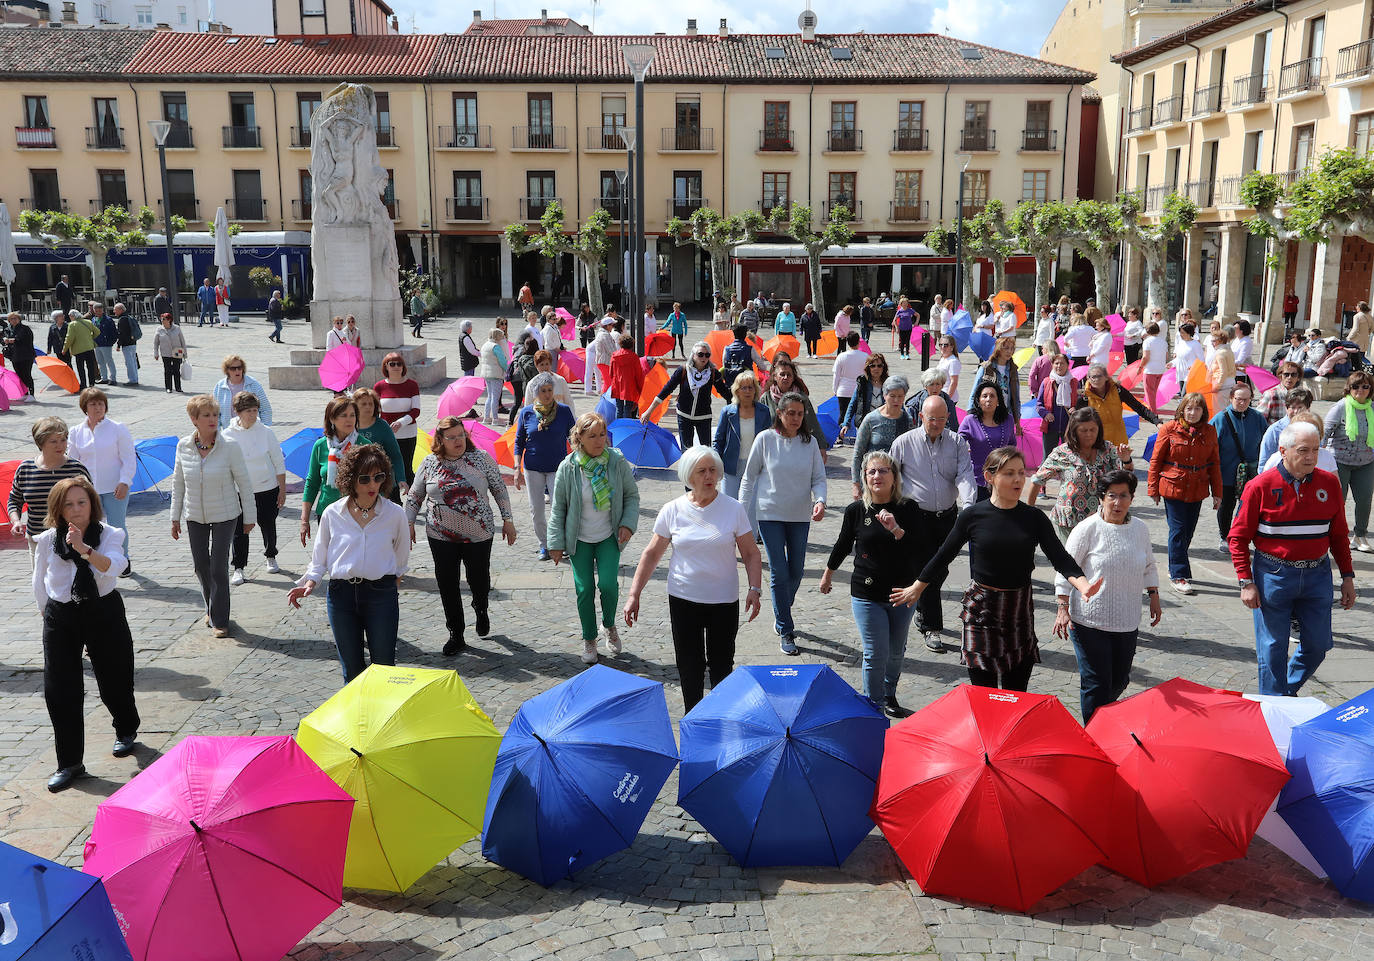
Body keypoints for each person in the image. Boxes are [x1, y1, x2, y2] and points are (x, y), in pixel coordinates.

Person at [891, 446, 1099, 690]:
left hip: (1019, 610)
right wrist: (917, 587)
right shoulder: (972, 516)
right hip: (981, 610)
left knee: (1015, 693)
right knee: (984, 695)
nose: (1018, 479)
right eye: (1009, 473)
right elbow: (943, 556)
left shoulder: (1034, 518)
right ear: (990, 477)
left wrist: (1083, 585)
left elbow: (1061, 558)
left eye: (1021, 473)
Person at [624, 447, 762, 709]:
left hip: (723, 600)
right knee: (689, 667)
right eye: (702, 471)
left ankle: (721, 719)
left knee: (722, 666)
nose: (709, 476)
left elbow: (751, 553)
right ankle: (693, 719)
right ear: (689, 476)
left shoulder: (733, 509)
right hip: (684, 599)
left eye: (713, 470)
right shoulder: (672, 510)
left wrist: (755, 588)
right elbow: (652, 553)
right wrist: (634, 594)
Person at [1230, 420, 1356, 696]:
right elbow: (1237, 538)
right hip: (1273, 574)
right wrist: (1245, 582)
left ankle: (1285, 692)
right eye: (1303, 450)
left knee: (1318, 644)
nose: (1311, 457)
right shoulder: (1259, 487)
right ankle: (1273, 706)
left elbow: (1338, 536)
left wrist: (1347, 576)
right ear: (1283, 450)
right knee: (1273, 648)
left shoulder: (1330, 484)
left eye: (1315, 449)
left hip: (1317, 575)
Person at [31, 475, 140, 792]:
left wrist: (83, 549)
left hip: (102, 610)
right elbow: (39, 579)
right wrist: (47, 610)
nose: (76, 510)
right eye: (69, 505)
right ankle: (69, 763)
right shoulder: (49, 539)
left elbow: (115, 566)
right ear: (59, 510)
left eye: (82, 502)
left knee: (114, 676)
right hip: (61, 615)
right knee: (60, 687)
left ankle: (125, 728)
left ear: (93, 504)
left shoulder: (110, 534)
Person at [290, 444, 409, 682]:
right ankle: (357, 719)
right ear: (351, 479)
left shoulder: (395, 514)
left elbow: (401, 555)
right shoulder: (333, 513)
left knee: (384, 667)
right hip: (341, 595)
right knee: (352, 670)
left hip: (381, 594)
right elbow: (321, 553)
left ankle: (382, 718)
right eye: (365, 478)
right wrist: (311, 581)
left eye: (379, 477)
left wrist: (390, 582)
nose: (372, 485)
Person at [1053, 469, 1161, 721]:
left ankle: (1104, 720)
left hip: (1127, 620)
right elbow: (1066, 566)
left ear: (1132, 499)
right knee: (1096, 682)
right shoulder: (1087, 528)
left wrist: (1154, 594)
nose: (1118, 502)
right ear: (1101, 497)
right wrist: (1062, 605)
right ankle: (1094, 733)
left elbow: (1149, 565)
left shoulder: (1140, 529)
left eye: (1124, 496)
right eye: (1112, 495)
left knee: (1120, 680)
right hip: (1089, 621)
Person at [822, 449, 921, 717]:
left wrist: (896, 530)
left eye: (883, 470)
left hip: (902, 592)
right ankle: (874, 704)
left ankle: (889, 695)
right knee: (876, 652)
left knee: (896, 651)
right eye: (872, 471)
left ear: (894, 476)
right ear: (865, 477)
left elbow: (919, 550)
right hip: (866, 592)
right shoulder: (856, 510)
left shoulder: (909, 509)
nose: (877, 476)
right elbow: (843, 544)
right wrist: (828, 573)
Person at [408, 417, 516, 654]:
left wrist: (508, 520)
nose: (458, 441)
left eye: (461, 435)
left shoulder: (481, 459)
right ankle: (455, 633)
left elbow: (499, 488)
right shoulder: (429, 463)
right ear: (441, 440)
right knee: (447, 584)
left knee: (479, 579)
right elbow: (415, 496)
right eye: (452, 437)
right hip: (440, 535)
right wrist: (408, 523)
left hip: (479, 533)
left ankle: (480, 606)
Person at [739, 392, 827, 656]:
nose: (796, 419)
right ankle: (786, 627)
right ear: (780, 413)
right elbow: (748, 478)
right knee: (779, 571)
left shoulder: (809, 443)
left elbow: (819, 478)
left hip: (800, 515)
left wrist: (820, 500)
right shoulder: (765, 439)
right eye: (791, 413)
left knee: (796, 571)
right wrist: (741, 513)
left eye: (800, 414)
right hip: (770, 514)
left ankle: (781, 608)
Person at [549, 413, 640, 664]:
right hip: (579, 539)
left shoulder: (616, 461)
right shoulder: (568, 467)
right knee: (584, 588)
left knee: (609, 585)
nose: (600, 441)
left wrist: (627, 524)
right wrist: (555, 544)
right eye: (593, 436)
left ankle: (609, 625)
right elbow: (558, 508)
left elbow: (632, 496)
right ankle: (589, 638)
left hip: (609, 535)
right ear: (579, 438)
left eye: (602, 435)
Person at [888, 395, 977, 652]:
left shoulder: (957, 442)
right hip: (917, 517)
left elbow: (964, 474)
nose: (936, 424)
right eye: (931, 419)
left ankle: (922, 609)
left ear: (947, 418)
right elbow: (892, 478)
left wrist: (968, 507)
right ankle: (931, 627)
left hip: (947, 516)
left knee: (941, 570)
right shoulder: (904, 443)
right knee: (929, 570)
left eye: (941, 419)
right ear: (921, 417)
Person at [171, 394, 256, 637]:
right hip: (194, 514)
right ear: (194, 419)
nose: (212, 420)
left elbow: (244, 483)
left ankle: (220, 620)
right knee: (201, 565)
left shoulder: (230, 446)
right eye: (206, 415)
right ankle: (211, 605)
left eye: (215, 415)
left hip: (226, 514)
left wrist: (250, 516)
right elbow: (178, 484)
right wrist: (174, 518)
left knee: (218, 567)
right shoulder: (183, 446)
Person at [1148, 392, 1222, 595]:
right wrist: (1153, 488)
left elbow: (1214, 463)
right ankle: (1179, 574)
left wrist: (1218, 492)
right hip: (1174, 486)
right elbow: (1156, 460)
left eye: (1197, 409)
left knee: (1188, 531)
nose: (1192, 412)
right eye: (1189, 408)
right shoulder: (1169, 429)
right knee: (1178, 530)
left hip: (1197, 488)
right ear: (1182, 410)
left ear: (1203, 412)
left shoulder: (1209, 431)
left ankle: (1176, 562)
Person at [66, 388, 135, 574]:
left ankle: (122, 559)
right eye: (93, 404)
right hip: (87, 489)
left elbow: (129, 458)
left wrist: (124, 481)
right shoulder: (76, 431)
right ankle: (94, 560)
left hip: (114, 486)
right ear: (85, 407)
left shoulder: (117, 428)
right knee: (90, 526)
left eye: (101, 404)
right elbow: (73, 460)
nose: (98, 408)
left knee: (117, 525)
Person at [1029, 407, 1124, 541]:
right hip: (1069, 520)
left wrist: (1126, 459)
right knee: (1071, 560)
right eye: (1083, 431)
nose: (1089, 434)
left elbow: (1123, 480)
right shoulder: (1062, 452)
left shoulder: (1107, 450)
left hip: (1101, 519)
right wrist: (1029, 514)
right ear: (1074, 431)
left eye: (1093, 430)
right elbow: (1037, 480)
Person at [222, 391, 285, 584]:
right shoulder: (227, 435)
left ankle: (270, 555)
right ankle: (239, 567)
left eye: (255, 410)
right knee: (240, 530)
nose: (252, 414)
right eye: (248, 410)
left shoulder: (266, 432)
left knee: (268, 524)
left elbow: (278, 461)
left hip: (267, 487)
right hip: (240, 491)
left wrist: (282, 489)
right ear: (237, 412)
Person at [516, 372, 576, 560]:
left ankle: (560, 542)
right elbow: (519, 441)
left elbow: (574, 436)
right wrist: (516, 467)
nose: (548, 394)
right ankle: (545, 545)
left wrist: (577, 457)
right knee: (537, 510)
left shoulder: (564, 411)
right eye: (543, 391)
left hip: (557, 466)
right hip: (533, 467)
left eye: (550, 390)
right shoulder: (526, 413)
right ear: (536, 393)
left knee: (559, 507)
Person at [9, 417, 90, 557]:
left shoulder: (76, 469)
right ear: (41, 443)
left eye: (63, 440)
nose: (60, 445)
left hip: (72, 540)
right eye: (53, 441)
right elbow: (14, 500)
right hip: (37, 540)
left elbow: (90, 503)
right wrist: (16, 521)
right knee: (40, 579)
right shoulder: (25, 469)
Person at [713, 371, 771, 541]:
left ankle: (750, 542)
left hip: (755, 466)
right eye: (743, 387)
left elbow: (769, 439)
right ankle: (729, 541)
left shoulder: (764, 411)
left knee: (752, 508)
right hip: (731, 466)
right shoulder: (727, 412)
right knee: (730, 506)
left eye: (751, 387)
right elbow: (718, 440)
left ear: (756, 390)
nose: (747, 391)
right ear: (737, 390)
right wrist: (716, 463)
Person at [1322, 370, 1374, 553]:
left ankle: (1359, 536)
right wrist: (1319, 457)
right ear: (1349, 388)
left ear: (1370, 389)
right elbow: (1325, 433)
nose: (1360, 390)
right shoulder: (1340, 407)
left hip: (1366, 462)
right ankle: (1334, 536)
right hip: (1339, 461)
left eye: (1365, 386)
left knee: (1365, 499)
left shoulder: (1372, 408)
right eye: (1355, 386)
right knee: (1337, 501)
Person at [1211, 382, 1266, 552]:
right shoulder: (1220, 419)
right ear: (1231, 398)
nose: (1242, 403)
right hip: (1226, 472)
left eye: (1246, 399)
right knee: (1226, 506)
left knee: (1248, 507)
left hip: (1251, 473)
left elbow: (1265, 443)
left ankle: (1240, 535)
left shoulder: (1258, 418)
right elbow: (1211, 448)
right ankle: (1224, 536)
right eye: (1238, 399)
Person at [300, 395, 359, 546]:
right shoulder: (320, 446)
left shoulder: (364, 445)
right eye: (343, 415)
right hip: (327, 512)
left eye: (352, 415)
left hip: (356, 513)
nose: (349, 419)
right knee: (331, 560)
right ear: (332, 419)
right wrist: (304, 520)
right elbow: (312, 483)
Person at [1076, 364, 1157, 470]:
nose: (1096, 379)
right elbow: (1077, 423)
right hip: (1097, 443)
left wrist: (1157, 421)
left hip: (1118, 441)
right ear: (1088, 379)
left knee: (1119, 475)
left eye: (1099, 376)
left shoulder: (1118, 391)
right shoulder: (1084, 398)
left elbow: (1138, 407)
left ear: (1106, 377)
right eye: (1093, 377)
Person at [647, 340, 724, 448]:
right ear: (693, 355)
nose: (704, 358)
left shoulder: (713, 373)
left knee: (705, 451)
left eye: (707, 355)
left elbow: (725, 392)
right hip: (684, 415)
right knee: (687, 451)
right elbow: (667, 390)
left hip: (704, 417)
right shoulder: (683, 370)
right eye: (700, 354)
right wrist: (649, 411)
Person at [851, 376, 912, 500]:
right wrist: (856, 484)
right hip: (873, 481)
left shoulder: (907, 420)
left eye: (900, 396)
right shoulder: (871, 419)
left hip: (897, 484)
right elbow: (858, 453)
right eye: (892, 396)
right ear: (884, 395)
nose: (896, 400)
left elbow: (911, 454)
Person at [959, 381, 1016, 500]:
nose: (988, 399)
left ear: (998, 400)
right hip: (977, 480)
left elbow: (1012, 445)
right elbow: (958, 443)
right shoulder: (970, 420)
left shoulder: (1008, 420)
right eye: (984, 396)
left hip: (1002, 479)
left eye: (992, 396)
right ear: (978, 400)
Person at [760, 355, 826, 457]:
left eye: (789, 375)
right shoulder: (766, 398)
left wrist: (821, 447)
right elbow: (759, 425)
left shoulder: (801, 397)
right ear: (775, 377)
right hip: (772, 449)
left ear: (793, 378)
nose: (785, 377)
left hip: (798, 447)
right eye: (782, 374)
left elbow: (812, 423)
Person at [351, 387, 408, 500]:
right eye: (363, 404)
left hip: (380, 481)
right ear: (355, 406)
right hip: (357, 481)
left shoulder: (382, 426)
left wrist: (401, 479)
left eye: (370, 404)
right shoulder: (349, 424)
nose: (368, 407)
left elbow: (395, 455)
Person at [374, 352, 421, 486]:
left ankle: (413, 500)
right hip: (387, 435)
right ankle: (393, 501)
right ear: (386, 367)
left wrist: (401, 422)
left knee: (406, 468)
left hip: (408, 434)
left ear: (403, 366)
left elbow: (416, 411)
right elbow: (375, 411)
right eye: (392, 364)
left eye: (399, 363)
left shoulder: (412, 385)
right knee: (387, 469)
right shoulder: (379, 386)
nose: (396, 366)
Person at [968, 337, 1022, 429]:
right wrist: (970, 414)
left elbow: (1016, 397)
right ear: (999, 349)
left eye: (1012, 348)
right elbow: (974, 393)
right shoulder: (986, 368)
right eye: (1006, 348)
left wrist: (1017, 420)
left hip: (1006, 413)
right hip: (987, 412)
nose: (1010, 351)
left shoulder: (1013, 369)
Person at [212, 355, 272, 429]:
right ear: (227, 370)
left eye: (239, 368)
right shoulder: (220, 387)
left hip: (252, 430)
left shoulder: (253, 384)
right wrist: (217, 433)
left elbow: (265, 409)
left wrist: (264, 429)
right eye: (233, 369)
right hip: (229, 431)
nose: (237, 371)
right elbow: (215, 413)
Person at [1258, 386, 1314, 466]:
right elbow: (1264, 463)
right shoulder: (1275, 430)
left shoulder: (1313, 428)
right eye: (1293, 407)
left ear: (1308, 409)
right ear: (1286, 408)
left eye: (1300, 407)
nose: (1296, 411)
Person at [1036, 352, 1079, 457]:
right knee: (1048, 457)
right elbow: (1039, 404)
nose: (1059, 366)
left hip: (1069, 426)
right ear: (1052, 365)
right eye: (1056, 363)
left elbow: (1080, 403)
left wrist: (1076, 409)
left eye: (1062, 363)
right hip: (1050, 426)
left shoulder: (1074, 383)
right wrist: (1045, 414)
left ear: (1067, 365)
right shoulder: (1046, 382)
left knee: (1070, 455)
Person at [842, 352, 891, 437]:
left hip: (884, 424)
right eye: (873, 366)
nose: (876, 368)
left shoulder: (889, 383)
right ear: (868, 368)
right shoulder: (862, 383)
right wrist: (846, 423)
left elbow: (897, 403)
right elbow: (853, 404)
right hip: (864, 424)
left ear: (884, 367)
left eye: (879, 365)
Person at [832, 332, 868, 429]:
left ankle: (840, 436)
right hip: (859, 390)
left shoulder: (841, 356)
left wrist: (835, 390)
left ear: (847, 342)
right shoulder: (865, 356)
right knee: (860, 415)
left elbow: (836, 375)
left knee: (843, 415)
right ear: (858, 342)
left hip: (843, 390)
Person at [609, 333, 645, 421]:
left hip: (617, 385)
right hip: (630, 386)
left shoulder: (614, 355)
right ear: (631, 345)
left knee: (619, 409)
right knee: (628, 409)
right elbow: (639, 375)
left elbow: (611, 372)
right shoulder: (634, 357)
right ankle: (626, 427)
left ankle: (617, 427)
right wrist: (640, 389)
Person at [478, 326, 510, 424]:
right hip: (496, 374)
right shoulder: (496, 347)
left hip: (486, 374)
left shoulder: (485, 345)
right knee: (495, 397)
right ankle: (495, 419)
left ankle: (486, 417)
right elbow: (503, 361)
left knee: (490, 397)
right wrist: (508, 371)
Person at [64, 308, 100, 390]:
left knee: (81, 368)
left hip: (78, 350)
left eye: (70, 316)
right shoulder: (88, 322)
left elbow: (69, 338)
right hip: (89, 347)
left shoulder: (72, 324)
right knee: (90, 366)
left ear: (73, 316)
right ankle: (92, 383)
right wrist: (90, 338)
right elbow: (97, 332)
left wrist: (65, 349)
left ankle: (83, 384)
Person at [151, 313, 187, 394]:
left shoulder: (177, 328)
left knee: (176, 370)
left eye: (164, 319)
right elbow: (156, 343)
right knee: (167, 370)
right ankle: (168, 388)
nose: (162, 321)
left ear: (169, 320)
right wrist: (156, 353)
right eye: (161, 319)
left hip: (177, 352)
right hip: (165, 352)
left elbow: (182, 341)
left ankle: (178, 387)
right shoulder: (159, 329)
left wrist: (185, 353)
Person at [112, 303, 139, 386]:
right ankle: (135, 378)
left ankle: (132, 380)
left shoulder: (122, 319)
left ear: (120, 310)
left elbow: (122, 334)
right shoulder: (128, 317)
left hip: (127, 344)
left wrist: (118, 345)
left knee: (129, 362)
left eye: (115, 310)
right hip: (133, 342)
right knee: (133, 361)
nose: (114, 311)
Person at [591, 315, 619, 395]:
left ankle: (604, 398)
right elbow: (611, 350)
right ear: (607, 326)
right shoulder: (605, 335)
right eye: (612, 325)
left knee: (608, 382)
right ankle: (604, 399)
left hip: (603, 361)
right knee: (608, 382)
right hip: (605, 362)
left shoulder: (603, 333)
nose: (613, 327)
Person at [92, 304, 118, 386]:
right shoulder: (93, 319)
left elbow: (114, 332)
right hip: (97, 344)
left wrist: (111, 342)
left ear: (103, 310)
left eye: (99, 311)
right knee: (100, 362)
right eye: (96, 311)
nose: (98, 312)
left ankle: (113, 378)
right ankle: (104, 378)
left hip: (106, 344)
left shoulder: (108, 320)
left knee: (109, 361)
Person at [935, 335, 962, 399]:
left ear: (952, 347)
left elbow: (954, 382)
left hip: (948, 395)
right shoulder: (943, 358)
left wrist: (947, 398)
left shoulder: (953, 361)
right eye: (940, 345)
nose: (942, 347)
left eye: (946, 345)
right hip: (940, 393)